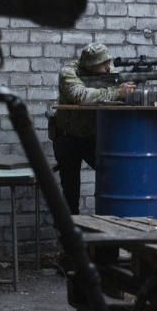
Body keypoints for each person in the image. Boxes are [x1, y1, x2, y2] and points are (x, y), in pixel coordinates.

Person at [48, 42, 135, 215]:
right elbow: (80, 96)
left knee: (113, 176)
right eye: (104, 64)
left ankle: (108, 230)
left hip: (91, 138)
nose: (108, 67)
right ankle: (70, 236)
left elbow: (121, 82)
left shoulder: (109, 74)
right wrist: (116, 92)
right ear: (91, 65)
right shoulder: (69, 72)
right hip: (67, 139)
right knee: (70, 193)